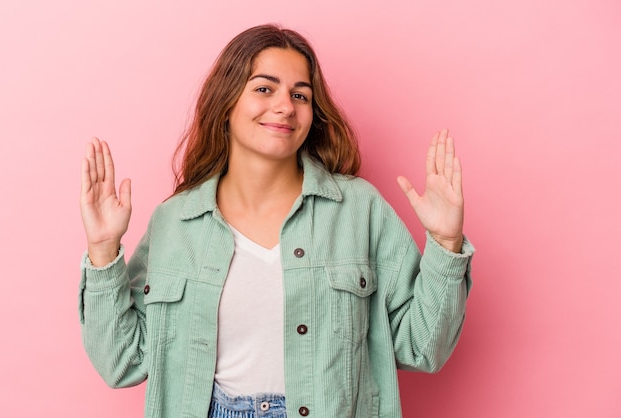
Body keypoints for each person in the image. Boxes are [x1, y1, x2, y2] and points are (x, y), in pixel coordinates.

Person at [78, 24, 474, 418]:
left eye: (300, 94)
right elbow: (123, 362)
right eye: (264, 88)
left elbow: (421, 348)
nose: (286, 106)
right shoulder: (176, 221)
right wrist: (102, 250)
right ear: (227, 102)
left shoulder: (359, 208)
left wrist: (445, 243)